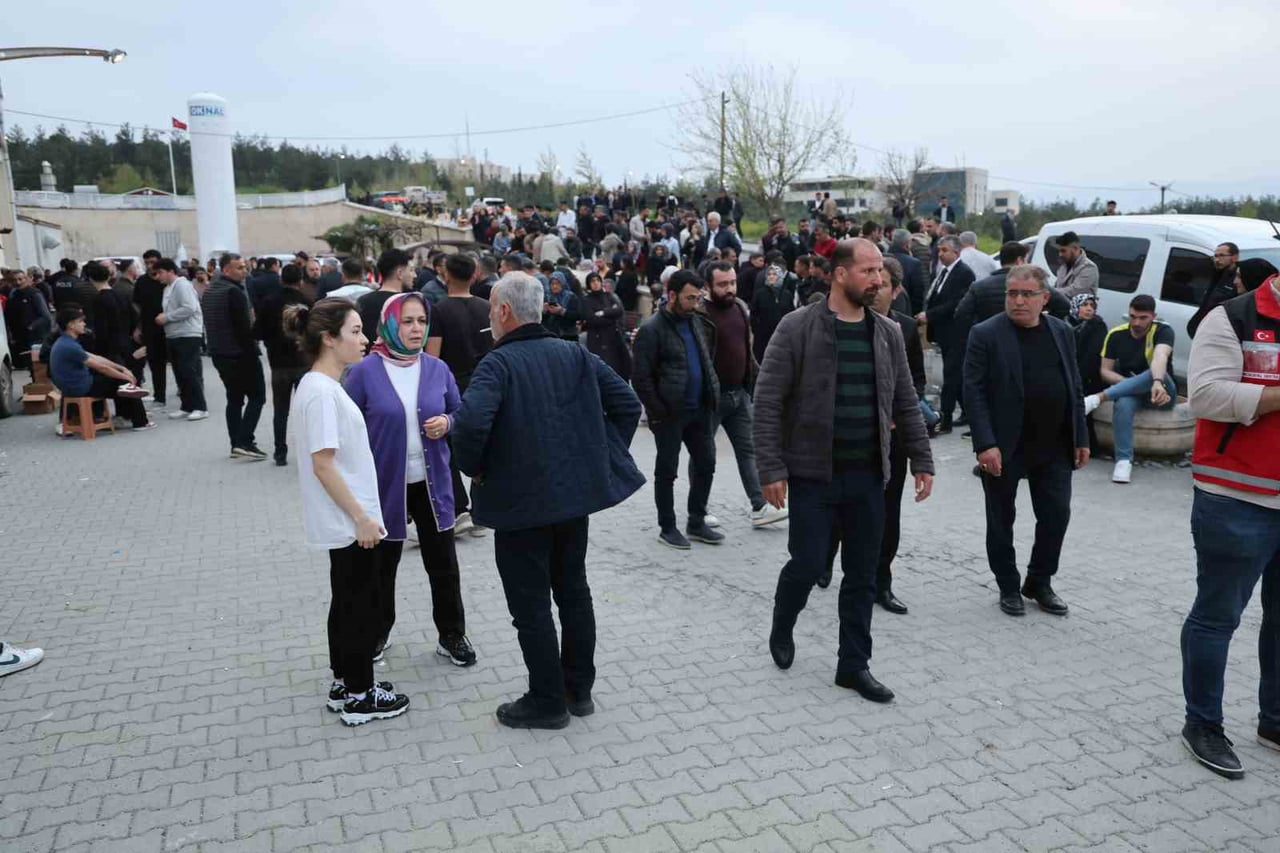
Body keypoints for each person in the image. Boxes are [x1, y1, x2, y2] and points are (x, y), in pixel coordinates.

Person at [450, 272, 644, 729]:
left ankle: (548, 699)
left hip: (520, 508)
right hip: (570, 502)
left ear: (503, 312)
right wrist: (592, 457)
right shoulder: (573, 353)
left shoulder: (497, 365)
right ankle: (578, 691)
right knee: (574, 592)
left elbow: (470, 425)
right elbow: (627, 405)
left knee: (532, 605)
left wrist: (476, 468)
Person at [755, 238, 934, 703]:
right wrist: (770, 468)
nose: (878, 280)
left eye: (880, 272)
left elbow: (905, 403)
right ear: (839, 273)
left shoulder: (888, 332)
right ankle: (783, 619)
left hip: (871, 475)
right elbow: (768, 401)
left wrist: (922, 459)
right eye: (868, 271)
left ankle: (853, 666)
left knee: (862, 575)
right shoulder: (797, 327)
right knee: (810, 563)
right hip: (814, 475)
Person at [283, 298, 409, 726]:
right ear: (328, 338)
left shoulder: (323, 387)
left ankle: (346, 682)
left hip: (349, 519)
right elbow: (323, 464)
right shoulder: (320, 391)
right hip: (349, 521)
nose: (366, 339)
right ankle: (359, 694)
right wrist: (360, 517)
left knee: (349, 601)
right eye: (355, 331)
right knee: (360, 606)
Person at [1178, 268, 1280, 780]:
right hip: (1236, 496)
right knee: (1218, 617)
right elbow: (1206, 396)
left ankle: (1274, 721)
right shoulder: (1231, 317)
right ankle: (1203, 723)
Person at [343, 291, 476, 669]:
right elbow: (346, 427)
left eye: (421, 321)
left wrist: (448, 423)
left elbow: (460, 412)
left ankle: (452, 634)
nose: (417, 329)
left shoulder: (437, 369)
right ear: (389, 324)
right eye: (407, 321)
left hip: (433, 485)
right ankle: (377, 632)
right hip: (385, 486)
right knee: (382, 567)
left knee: (444, 565)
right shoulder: (364, 372)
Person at [963, 265, 1089, 618]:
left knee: (1056, 515)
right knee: (1001, 519)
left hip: (1054, 444)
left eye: (1027, 294)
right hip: (1005, 446)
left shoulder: (1062, 331)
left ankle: (1039, 580)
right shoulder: (985, 334)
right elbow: (973, 393)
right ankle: (1007, 584)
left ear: (1044, 298)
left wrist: (1081, 435)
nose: (1018, 301)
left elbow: (1074, 386)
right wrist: (985, 444)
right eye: (1012, 293)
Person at [631, 270, 723, 550]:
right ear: (672, 295)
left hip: (699, 411)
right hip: (670, 414)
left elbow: (705, 360)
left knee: (706, 463)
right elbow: (641, 378)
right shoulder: (652, 329)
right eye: (689, 298)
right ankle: (667, 527)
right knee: (667, 471)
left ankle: (696, 521)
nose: (695, 303)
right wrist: (658, 411)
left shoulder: (697, 321)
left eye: (698, 297)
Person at [702, 262, 788, 527]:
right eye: (722, 284)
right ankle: (699, 509)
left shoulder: (739, 307)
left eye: (732, 283)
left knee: (749, 449)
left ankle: (759, 505)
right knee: (705, 454)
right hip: (709, 399)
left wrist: (760, 379)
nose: (729, 289)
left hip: (739, 394)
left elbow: (746, 350)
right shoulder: (700, 314)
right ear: (708, 287)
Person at [1083, 294, 1177, 483]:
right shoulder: (1116, 334)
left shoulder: (1163, 330)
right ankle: (1124, 461)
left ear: (1153, 316)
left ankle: (1097, 398)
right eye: (1133, 316)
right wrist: (1130, 386)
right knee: (1123, 402)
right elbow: (1105, 372)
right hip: (1131, 391)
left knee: (1154, 371)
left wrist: (1156, 382)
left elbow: (1160, 357)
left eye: (1143, 318)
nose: (1137, 322)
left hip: (1163, 390)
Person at [202, 252, 268, 460]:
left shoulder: (211, 290)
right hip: (239, 355)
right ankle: (245, 441)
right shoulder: (233, 292)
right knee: (258, 396)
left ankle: (236, 444)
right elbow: (243, 330)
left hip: (219, 354)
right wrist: (254, 350)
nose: (244, 271)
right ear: (227, 270)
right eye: (239, 268)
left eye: (245, 267)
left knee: (234, 399)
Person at [48, 305, 154, 430]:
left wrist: (121, 368)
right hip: (81, 387)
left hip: (74, 385)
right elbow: (101, 368)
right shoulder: (70, 346)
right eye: (81, 321)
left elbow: (96, 357)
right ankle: (140, 422)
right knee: (124, 383)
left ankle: (127, 416)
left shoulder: (64, 341)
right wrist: (125, 376)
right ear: (70, 325)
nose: (84, 324)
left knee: (121, 383)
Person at [255, 263, 314, 465]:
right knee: (306, 410)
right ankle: (310, 451)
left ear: (281, 279)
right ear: (300, 281)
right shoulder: (307, 302)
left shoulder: (269, 301)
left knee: (281, 410)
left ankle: (280, 452)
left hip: (278, 364)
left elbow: (257, 332)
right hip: (302, 362)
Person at [919, 235, 975, 433]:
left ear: (956, 252)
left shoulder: (964, 273)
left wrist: (929, 315)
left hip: (956, 332)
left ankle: (946, 419)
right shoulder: (943, 272)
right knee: (955, 376)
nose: (940, 254)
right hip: (942, 332)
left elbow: (955, 304)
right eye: (939, 250)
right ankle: (968, 412)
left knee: (950, 376)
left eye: (944, 251)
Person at [152, 259, 208, 421]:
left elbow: (190, 307)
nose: (158, 277)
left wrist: (167, 317)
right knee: (179, 372)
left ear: (170, 271)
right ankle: (187, 405)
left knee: (189, 370)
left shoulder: (182, 285)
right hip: (173, 334)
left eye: (160, 272)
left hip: (188, 333)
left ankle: (200, 406)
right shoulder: (168, 288)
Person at [580, 272, 631, 381]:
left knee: (620, 365)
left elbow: (619, 310)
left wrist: (603, 312)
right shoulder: (587, 300)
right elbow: (592, 319)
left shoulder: (608, 296)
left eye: (597, 280)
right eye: (592, 281)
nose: (596, 283)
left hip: (613, 336)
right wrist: (611, 317)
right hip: (598, 338)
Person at [357, 249, 412, 350]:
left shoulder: (362, 301)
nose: (414, 275)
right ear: (399, 273)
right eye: (411, 270)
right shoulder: (410, 303)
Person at [132, 249, 167, 408]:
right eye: (146, 263)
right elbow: (137, 306)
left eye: (152, 262)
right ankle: (160, 396)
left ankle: (187, 394)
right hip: (150, 328)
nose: (149, 265)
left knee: (180, 363)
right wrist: (138, 328)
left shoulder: (167, 281)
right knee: (155, 363)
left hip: (169, 326)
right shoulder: (142, 282)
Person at [1188, 243, 1246, 338]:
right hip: (1203, 331)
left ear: (1235, 257)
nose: (1217, 260)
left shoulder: (1239, 280)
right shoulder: (1217, 274)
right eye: (1215, 256)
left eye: (1222, 256)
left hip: (1220, 332)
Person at [749, 262, 796, 364]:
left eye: (774, 274)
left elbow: (791, 314)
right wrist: (757, 328)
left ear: (780, 276)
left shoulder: (786, 295)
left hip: (781, 334)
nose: (771, 277)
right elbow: (753, 313)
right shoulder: (760, 293)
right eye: (769, 274)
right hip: (762, 335)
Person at [888, 230, 926, 314]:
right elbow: (918, 292)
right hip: (906, 311)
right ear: (908, 244)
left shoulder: (882, 258)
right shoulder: (914, 263)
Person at [1052, 232, 1099, 298]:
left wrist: (1050, 291)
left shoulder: (1089, 267)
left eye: (1063, 251)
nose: (1060, 254)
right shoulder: (1064, 266)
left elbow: (1074, 291)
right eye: (1059, 251)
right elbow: (1057, 286)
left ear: (1075, 248)